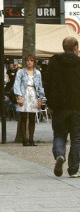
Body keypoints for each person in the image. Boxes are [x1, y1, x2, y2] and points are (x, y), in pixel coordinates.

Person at [43, 34, 80, 178]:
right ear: (75, 48)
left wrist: (51, 102)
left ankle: (60, 154)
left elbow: (47, 83)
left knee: (59, 134)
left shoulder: (54, 62)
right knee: (76, 138)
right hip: (77, 106)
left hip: (59, 106)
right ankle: (74, 169)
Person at [13, 54, 45, 145]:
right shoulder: (21, 72)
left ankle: (31, 139)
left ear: (34, 62)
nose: (29, 62)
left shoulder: (38, 73)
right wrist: (19, 97)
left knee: (32, 118)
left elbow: (40, 87)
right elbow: (17, 84)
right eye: (27, 60)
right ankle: (24, 140)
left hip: (33, 94)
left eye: (31, 60)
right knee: (23, 118)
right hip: (24, 94)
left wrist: (40, 99)